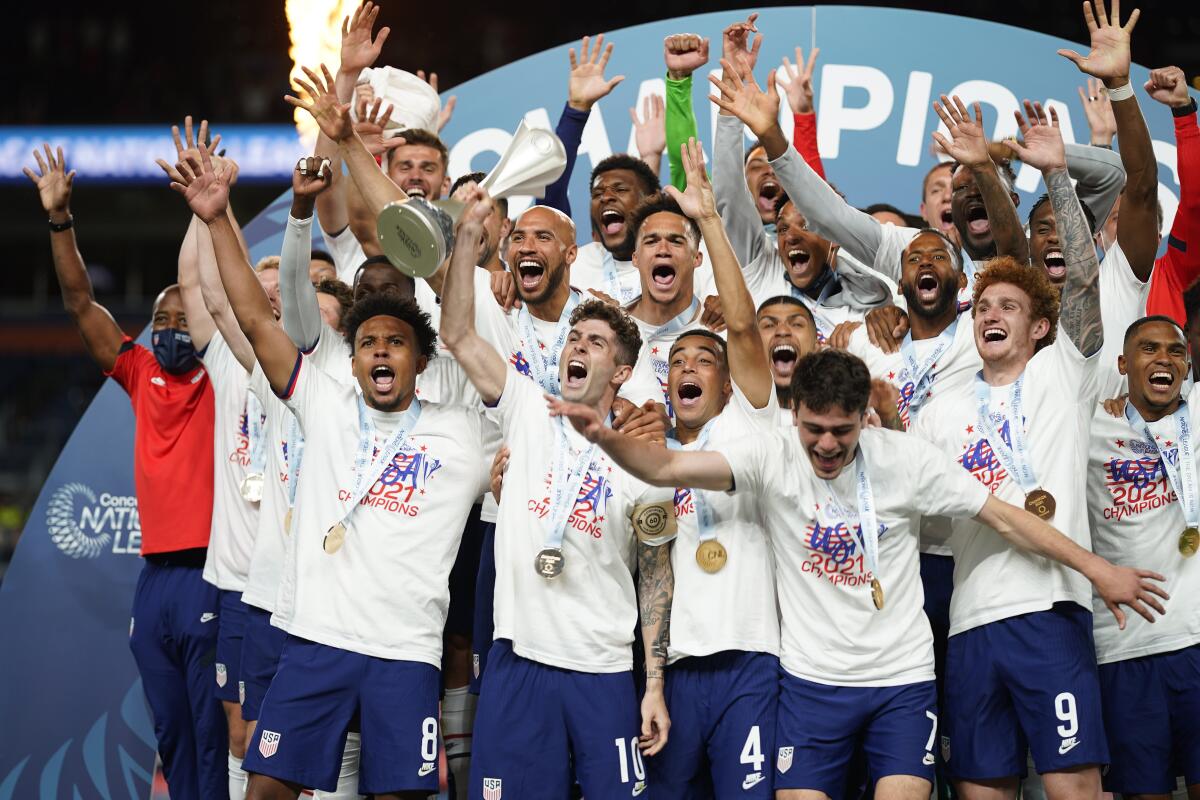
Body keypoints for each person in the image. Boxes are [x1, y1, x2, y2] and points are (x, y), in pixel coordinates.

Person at [548, 345, 1164, 800]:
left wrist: (1096, 569)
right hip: (812, 686)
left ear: (863, 417)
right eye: (813, 430)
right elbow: (663, 471)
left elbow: (1004, 517)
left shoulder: (906, 460)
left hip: (901, 679)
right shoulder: (769, 455)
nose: (826, 446)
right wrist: (605, 437)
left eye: (842, 432)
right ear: (794, 417)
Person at [164, 136, 495, 800]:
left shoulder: (464, 435)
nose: (380, 352)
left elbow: (469, 334)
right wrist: (217, 216)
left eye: (396, 343)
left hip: (406, 653)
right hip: (314, 643)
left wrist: (459, 256)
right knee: (266, 792)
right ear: (351, 358)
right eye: (368, 341)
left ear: (419, 362)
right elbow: (256, 320)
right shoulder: (324, 401)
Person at [908, 67, 1125, 795]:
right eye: (981, 308)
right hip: (971, 622)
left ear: (1039, 325)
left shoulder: (1061, 371)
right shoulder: (940, 408)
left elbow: (1085, 283)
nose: (990, 314)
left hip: (1051, 613)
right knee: (981, 790)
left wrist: (1058, 176)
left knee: (1073, 787)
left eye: (1008, 305)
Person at [441, 186, 675, 799]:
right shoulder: (525, 408)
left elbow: (656, 575)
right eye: (575, 340)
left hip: (600, 668)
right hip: (520, 662)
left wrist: (652, 684)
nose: (578, 348)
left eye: (596, 343)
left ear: (622, 372)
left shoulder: (641, 459)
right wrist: (468, 243)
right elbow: (461, 336)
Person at [25, 142, 226, 799]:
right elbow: (81, 301)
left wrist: (203, 214)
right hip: (153, 580)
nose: (169, 327)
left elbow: (210, 292)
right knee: (170, 732)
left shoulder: (226, 375)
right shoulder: (139, 372)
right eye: (158, 319)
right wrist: (61, 220)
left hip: (209, 574)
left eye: (180, 317)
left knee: (210, 732)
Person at [640, 137, 782, 797]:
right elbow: (655, 573)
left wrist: (710, 223)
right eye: (677, 363)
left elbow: (748, 331)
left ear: (729, 383)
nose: (689, 367)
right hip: (681, 674)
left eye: (704, 359)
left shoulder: (747, 422)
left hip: (753, 661)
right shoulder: (654, 462)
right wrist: (655, 683)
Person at [1087, 316, 1200, 799]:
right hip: (1124, 650)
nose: (1163, 359)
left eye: (1175, 351)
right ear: (1122, 365)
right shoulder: (1088, 423)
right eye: (1148, 349)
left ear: (1188, 365)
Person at [708, 54, 894, 341]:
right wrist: (731, 109)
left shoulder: (868, 302)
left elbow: (822, 203)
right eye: (782, 228)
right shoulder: (763, 271)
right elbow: (729, 195)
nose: (790, 236)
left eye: (805, 226)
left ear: (834, 237)